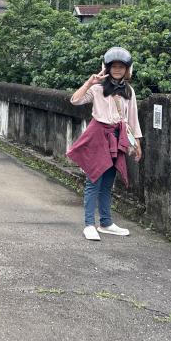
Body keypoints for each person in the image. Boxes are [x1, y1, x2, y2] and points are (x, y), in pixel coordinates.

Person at [67, 47, 142, 241]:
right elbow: (75, 100)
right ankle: (89, 224)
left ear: (127, 69)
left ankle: (106, 223)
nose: (117, 70)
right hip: (98, 135)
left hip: (117, 137)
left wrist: (136, 143)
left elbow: (131, 120)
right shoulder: (98, 88)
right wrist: (89, 82)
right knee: (94, 180)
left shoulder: (129, 91)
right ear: (106, 68)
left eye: (121, 66)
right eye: (114, 66)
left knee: (108, 182)